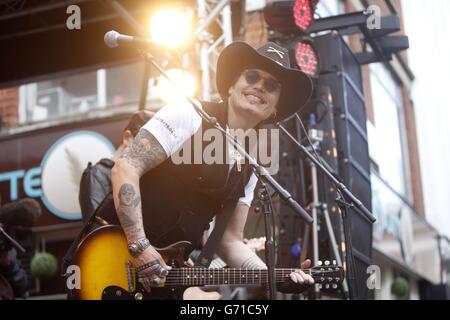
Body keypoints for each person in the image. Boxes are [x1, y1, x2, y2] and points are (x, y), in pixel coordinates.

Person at [111, 41, 315, 297]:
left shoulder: (251, 164)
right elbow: (126, 167)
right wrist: (139, 246)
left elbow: (229, 242)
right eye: (252, 76)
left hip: (162, 277)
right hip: (112, 255)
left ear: (275, 107)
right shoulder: (189, 114)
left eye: (272, 85)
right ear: (231, 86)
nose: (260, 85)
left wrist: (272, 278)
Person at [79, 110, 154, 224]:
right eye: (145, 146)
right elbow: (97, 230)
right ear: (127, 138)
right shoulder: (97, 175)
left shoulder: (137, 176)